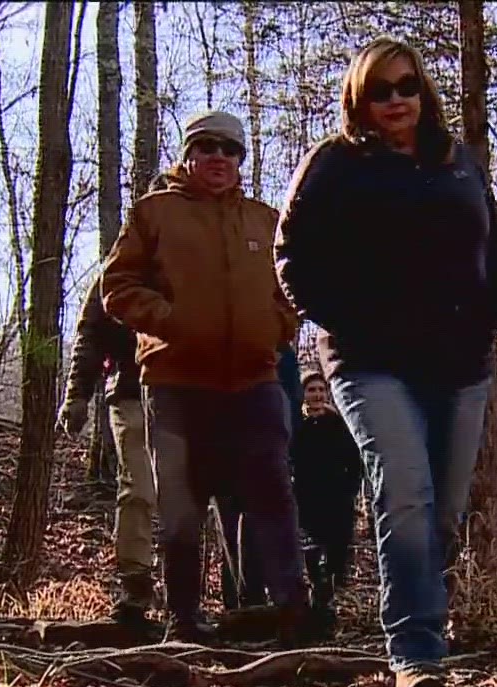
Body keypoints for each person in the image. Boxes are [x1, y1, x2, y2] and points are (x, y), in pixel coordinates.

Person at [277, 37, 497, 687]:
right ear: (359, 99)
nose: (395, 101)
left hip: (459, 360)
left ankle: (421, 617)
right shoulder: (335, 164)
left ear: (423, 91)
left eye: (406, 86)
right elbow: (290, 252)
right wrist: (341, 317)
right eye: (379, 90)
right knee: (403, 491)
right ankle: (416, 652)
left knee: (441, 510)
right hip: (370, 360)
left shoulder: (458, 163)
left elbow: (492, 242)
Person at [102, 109, 308, 643]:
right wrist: (172, 322)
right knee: (181, 499)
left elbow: (290, 294)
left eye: (230, 149)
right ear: (189, 154)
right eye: (208, 147)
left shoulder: (265, 220)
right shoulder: (155, 213)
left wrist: (275, 330)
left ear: (240, 160)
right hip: (177, 379)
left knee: (272, 488)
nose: (219, 157)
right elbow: (117, 288)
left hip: (254, 378)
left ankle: (292, 609)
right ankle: (184, 619)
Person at [60, 273, 154, 626]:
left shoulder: (185, 251)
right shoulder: (114, 271)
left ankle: (186, 596)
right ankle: (135, 589)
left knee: (186, 496)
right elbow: (89, 335)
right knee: (139, 490)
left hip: (182, 391)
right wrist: (76, 397)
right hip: (130, 392)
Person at [217, 342, 303, 610]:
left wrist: (288, 446)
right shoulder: (212, 341)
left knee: (263, 521)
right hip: (222, 445)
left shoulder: (281, 352)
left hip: (269, 446)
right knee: (230, 522)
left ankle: (281, 602)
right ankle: (239, 603)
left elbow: (293, 401)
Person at [291, 370, 363, 617]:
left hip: (337, 496)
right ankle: (315, 598)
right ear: (303, 394)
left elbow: (355, 458)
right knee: (311, 549)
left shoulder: (339, 423)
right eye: (312, 390)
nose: (317, 395)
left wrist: (351, 488)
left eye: (321, 390)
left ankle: (332, 599)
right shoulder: (296, 424)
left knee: (337, 549)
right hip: (307, 496)